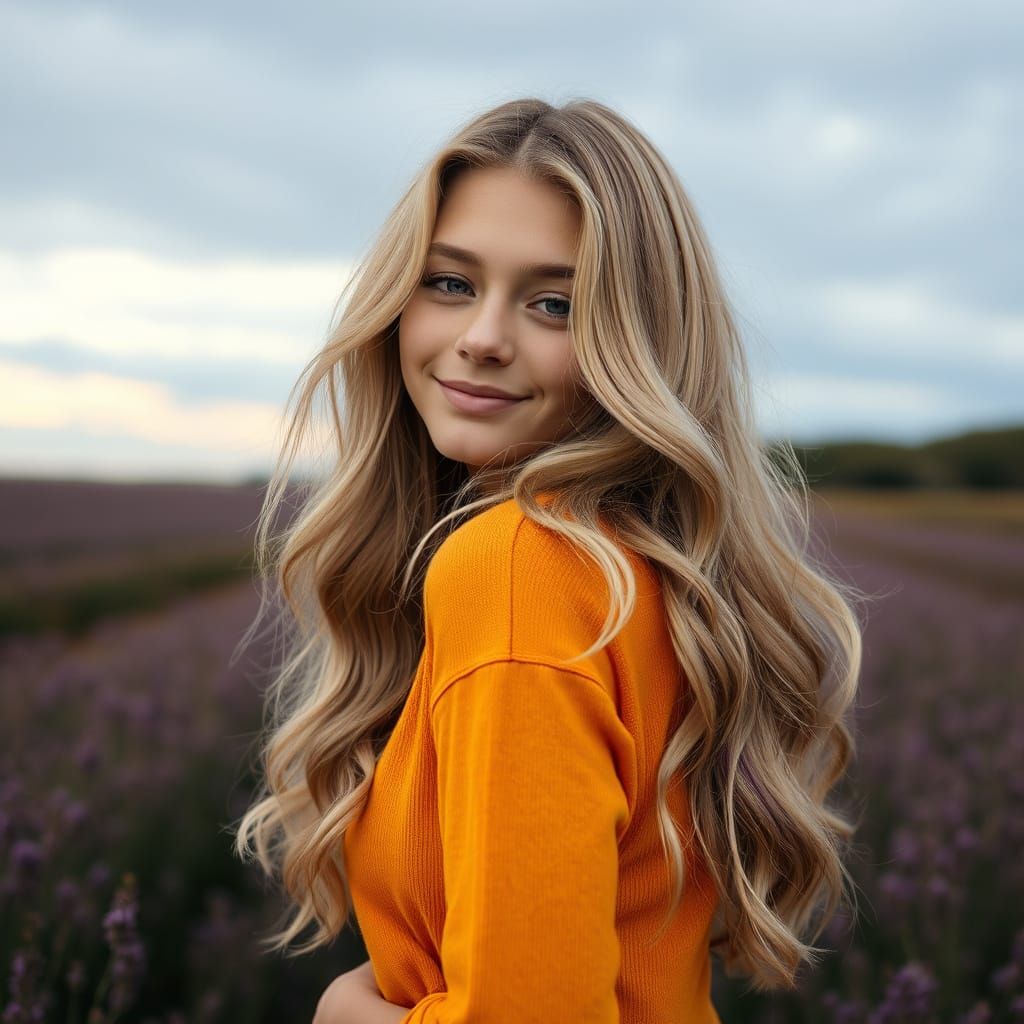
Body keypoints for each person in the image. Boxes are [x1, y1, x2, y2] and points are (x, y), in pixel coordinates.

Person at [231, 96, 866, 1023]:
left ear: (638, 343)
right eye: (449, 283)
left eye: (553, 304)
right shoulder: (625, 567)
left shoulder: (521, 567)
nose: (483, 337)